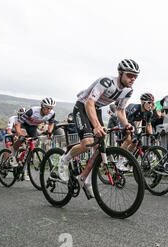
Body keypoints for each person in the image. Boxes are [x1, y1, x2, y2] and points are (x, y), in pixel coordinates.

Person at [57, 59, 140, 197]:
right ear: (120, 73)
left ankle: (86, 179)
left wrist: (126, 124)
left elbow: (120, 110)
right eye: (129, 75)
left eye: (135, 76)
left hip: (97, 109)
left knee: (100, 147)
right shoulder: (106, 82)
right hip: (83, 107)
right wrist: (96, 126)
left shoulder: (128, 91)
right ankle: (64, 159)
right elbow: (90, 103)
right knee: (88, 143)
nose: (133, 79)